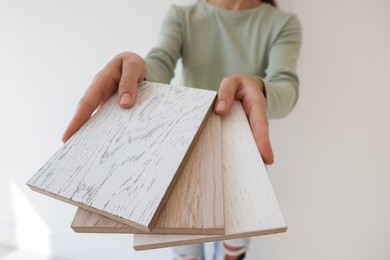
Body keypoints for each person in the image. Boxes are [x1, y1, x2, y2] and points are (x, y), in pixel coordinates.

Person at [62, 0, 301, 259]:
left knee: (233, 249)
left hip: (244, 159)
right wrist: (136, 71)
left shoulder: (283, 23)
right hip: (183, 154)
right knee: (185, 249)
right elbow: (160, 62)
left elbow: (285, 87)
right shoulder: (184, 15)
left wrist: (261, 88)